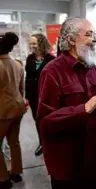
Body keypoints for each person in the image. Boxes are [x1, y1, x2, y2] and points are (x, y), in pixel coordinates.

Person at [36, 17, 96, 189]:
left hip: (92, 160)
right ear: (70, 39)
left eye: (95, 34)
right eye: (89, 34)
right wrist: (83, 109)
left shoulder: (94, 70)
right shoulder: (52, 71)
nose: (95, 39)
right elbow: (45, 121)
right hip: (67, 164)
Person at [0, 32, 26, 189]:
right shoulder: (18, 64)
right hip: (18, 108)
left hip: (3, 111)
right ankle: (15, 172)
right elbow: (21, 89)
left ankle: (3, 178)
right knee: (14, 141)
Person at [25, 33, 55, 156]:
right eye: (30, 43)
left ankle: (51, 143)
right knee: (37, 120)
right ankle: (42, 143)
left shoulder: (51, 60)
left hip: (47, 95)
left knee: (48, 120)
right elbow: (28, 77)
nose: (32, 46)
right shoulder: (30, 58)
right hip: (33, 95)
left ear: (41, 44)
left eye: (34, 43)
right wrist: (26, 95)